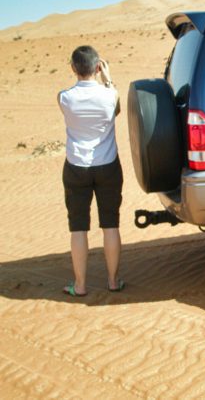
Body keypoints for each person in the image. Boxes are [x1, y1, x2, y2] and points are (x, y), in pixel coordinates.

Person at [58, 45, 124, 296]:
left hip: (76, 167)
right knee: (110, 224)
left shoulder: (64, 97)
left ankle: (81, 285)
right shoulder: (110, 95)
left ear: (74, 68)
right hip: (108, 165)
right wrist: (108, 80)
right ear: (98, 67)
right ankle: (113, 280)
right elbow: (115, 110)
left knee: (78, 227)